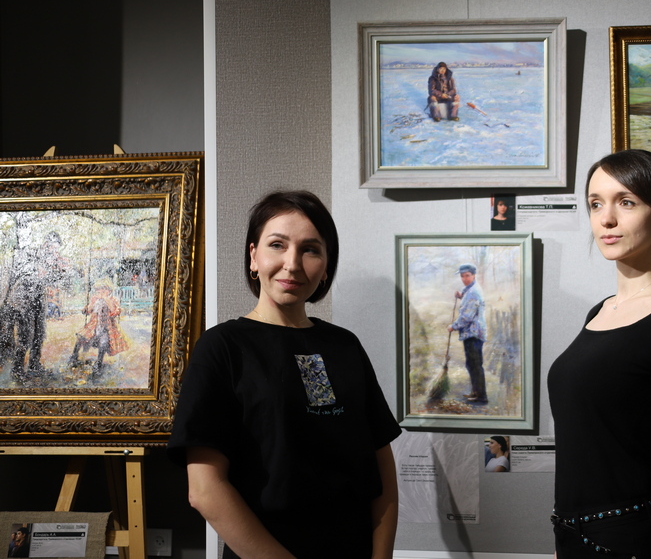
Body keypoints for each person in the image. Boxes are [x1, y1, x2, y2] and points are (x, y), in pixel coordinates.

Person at [168, 190, 402, 559]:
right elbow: (204, 490)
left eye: (310, 249)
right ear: (253, 256)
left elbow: (381, 467)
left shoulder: (344, 346)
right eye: (277, 245)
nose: (292, 264)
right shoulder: (222, 347)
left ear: (326, 266)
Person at [548, 149, 651, 559]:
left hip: (627, 541)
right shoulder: (599, 311)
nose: (606, 219)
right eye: (595, 203)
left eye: (626, 202)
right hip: (570, 536)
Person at [69, 278, 130, 372]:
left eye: (103, 291)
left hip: (107, 327)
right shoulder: (95, 299)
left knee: (103, 343)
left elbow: (114, 311)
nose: (100, 293)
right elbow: (88, 310)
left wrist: (106, 299)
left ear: (109, 291)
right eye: (98, 291)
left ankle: (99, 362)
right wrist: (91, 304)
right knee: (80, 337)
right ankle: (74, 356)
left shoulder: (113, 299)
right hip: (93, 326)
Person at [447, 263, 487, 403]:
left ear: (474, 275)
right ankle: (476, 392)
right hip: (472, 333)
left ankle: (481, 396)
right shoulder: (470, 289)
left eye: (467, 275)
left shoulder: (474, 292)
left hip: (474, 334)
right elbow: (468, 297)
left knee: (475, 365)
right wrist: (461, 295)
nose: (464, 279)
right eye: (462, 276)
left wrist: (453, 326)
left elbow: (467, 317)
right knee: (472, 364)